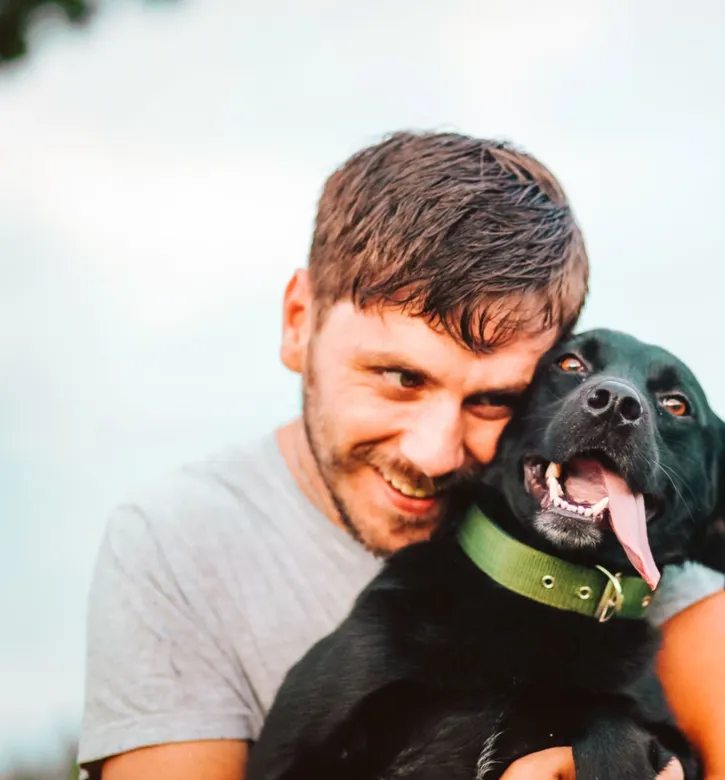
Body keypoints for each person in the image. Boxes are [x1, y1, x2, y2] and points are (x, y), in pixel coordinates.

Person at [77, 132, 725, 780]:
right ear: (299, 320)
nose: (435, 455)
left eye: (492, 398)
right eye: (400, 378)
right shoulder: (173, 544)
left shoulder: (635, 550)